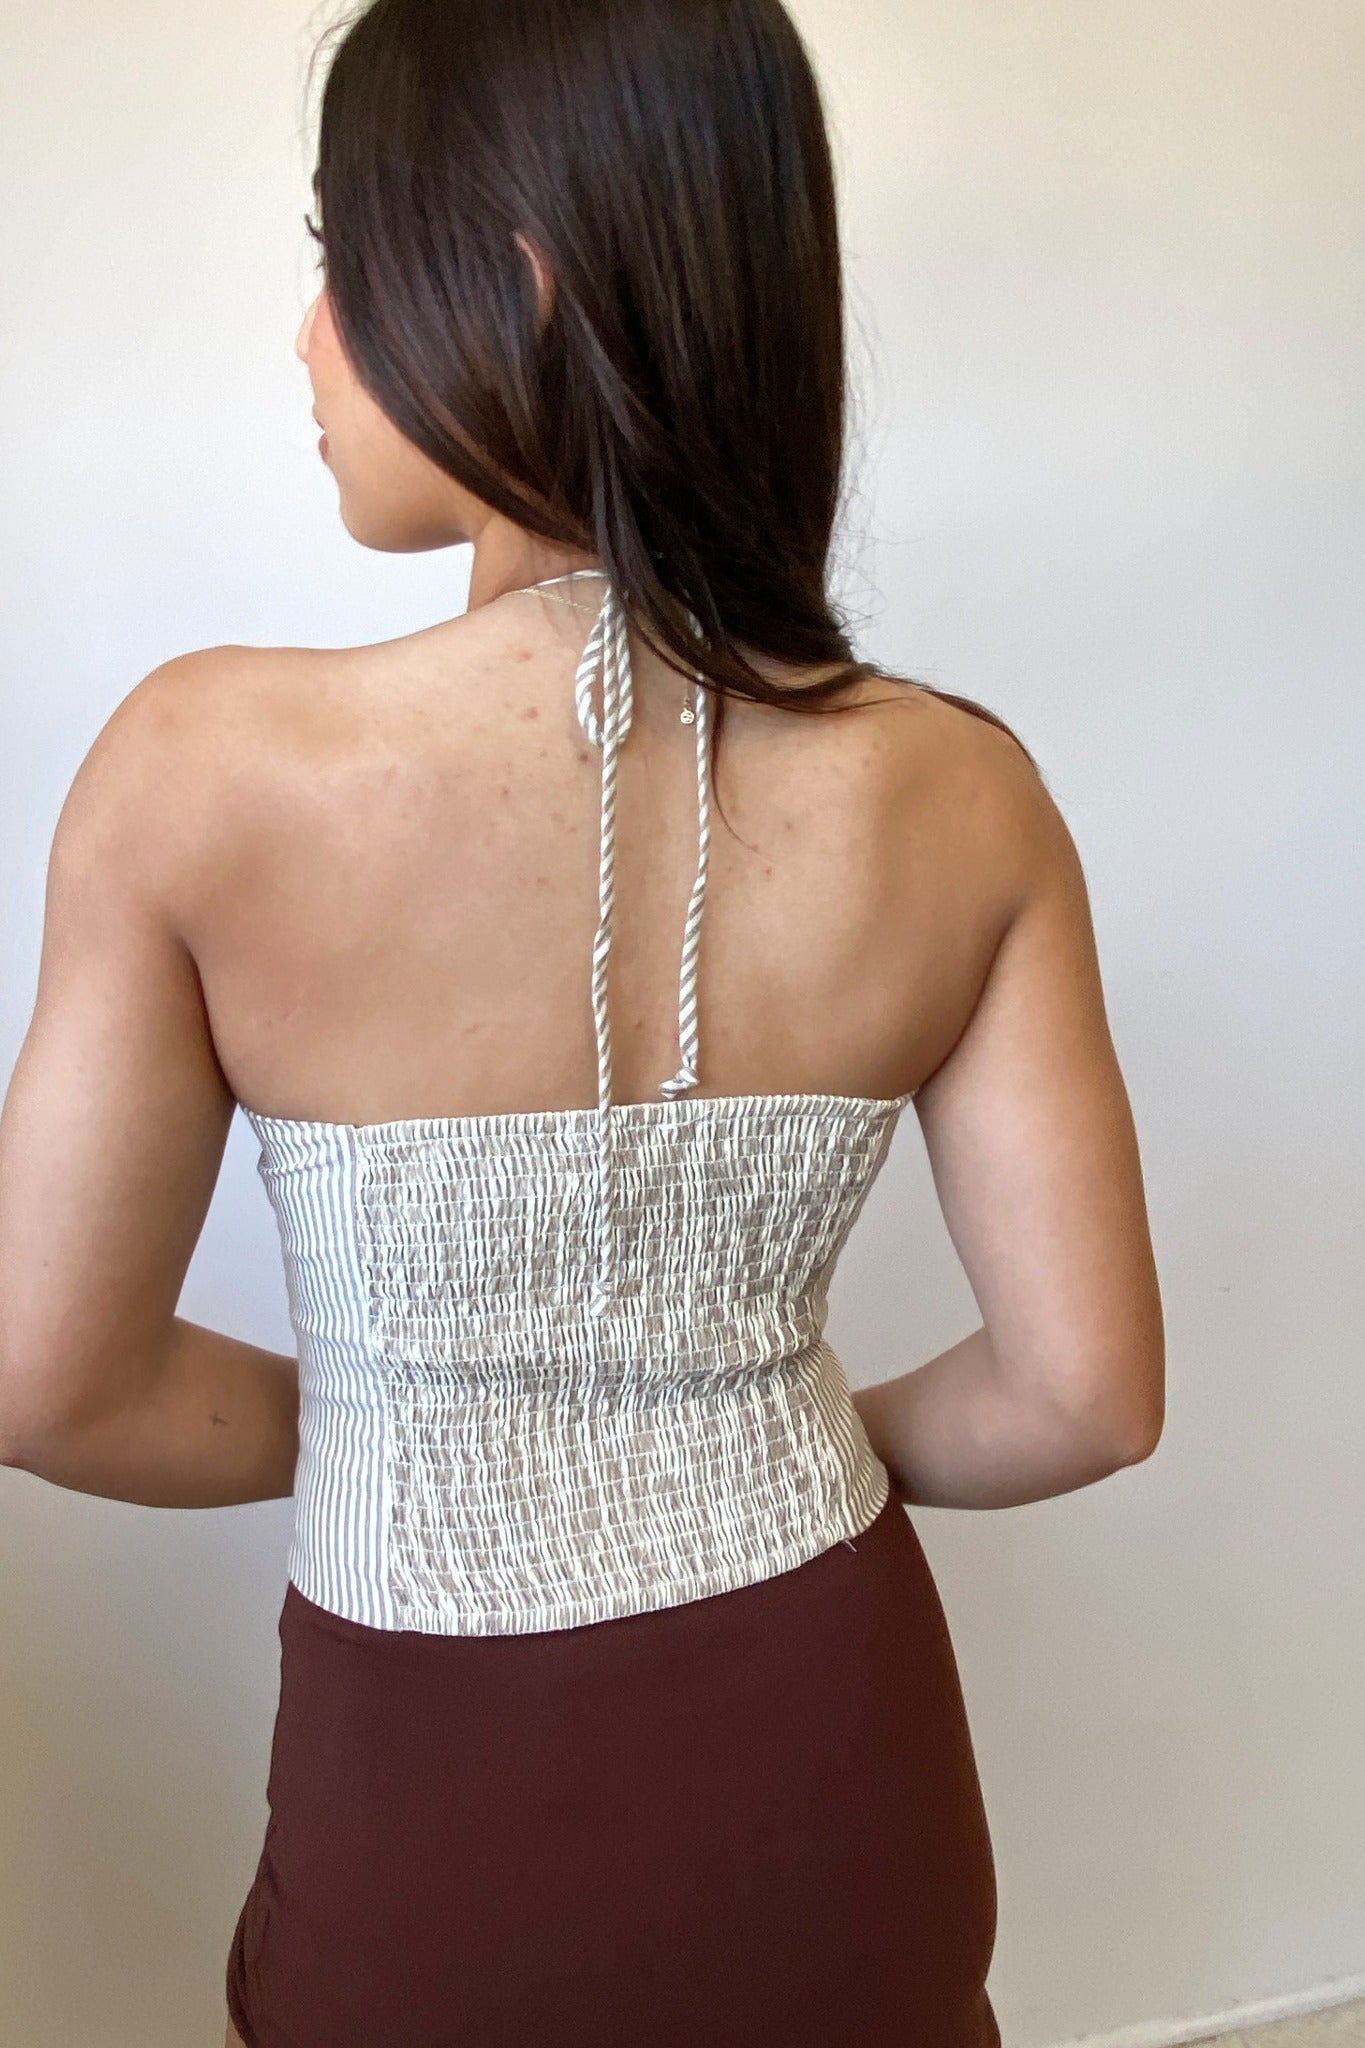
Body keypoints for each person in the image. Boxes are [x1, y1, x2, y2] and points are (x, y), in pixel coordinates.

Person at [0, 1, 1165, 2043]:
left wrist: (418, 1409)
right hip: (842, 1767)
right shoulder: (962, 793)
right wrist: (748, 1424)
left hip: (434, 1814)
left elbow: (45, 1381)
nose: (306, 337)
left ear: (522, 276)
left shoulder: (198, 774)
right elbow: (1081, 1396)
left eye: (338, 255)